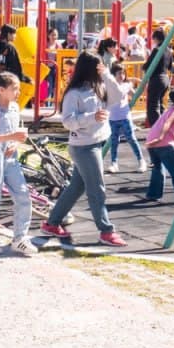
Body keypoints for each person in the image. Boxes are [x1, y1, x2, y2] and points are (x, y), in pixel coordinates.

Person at [40, 50, 126, 247]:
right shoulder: (74, 93)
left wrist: (107, 74)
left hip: (96, 142)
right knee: (97, 188)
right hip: (84, 147)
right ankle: (106, 230)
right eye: (97, 67)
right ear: (89, 69)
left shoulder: (98, 87)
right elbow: (68, 122)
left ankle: (52, 223)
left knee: (76, 187)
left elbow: (119, 96)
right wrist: (91, 118)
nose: (100, 70)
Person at [0, 72, 35, 256]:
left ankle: (19, 238)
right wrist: (11, 138)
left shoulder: (15, 108)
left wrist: (16, 141)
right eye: (14, 88)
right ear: (1, 90)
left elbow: (17, 132)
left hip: (11, 157)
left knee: (23, 195)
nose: (18, 92)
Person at [143, 85, 174, 204]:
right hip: (163, 143)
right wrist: (160, 137)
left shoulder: (170, 109)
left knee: (158, 168)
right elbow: (168, 123)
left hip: (151, 141)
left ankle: (153, 194)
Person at [104, 63, 145, 173]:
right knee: (114, 141)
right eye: (119, 73)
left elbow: (135, 94)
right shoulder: (110, 87)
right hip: (112, 118)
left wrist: (136, 87)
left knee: (131, 138)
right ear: (113, 75)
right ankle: (114, 163)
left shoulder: (125, 85)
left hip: (124, 116)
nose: (121, 75)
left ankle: (141, 160)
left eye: (123, 73)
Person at [142, 29, 174, 128]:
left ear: (156, 39)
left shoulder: (157, 50)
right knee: (160, 104)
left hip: (156, 79)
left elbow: (147, 66)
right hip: (165, 78)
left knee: (153, 106)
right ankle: (163, 125)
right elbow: (170, 67)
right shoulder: (169, 51)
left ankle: (157, 128)